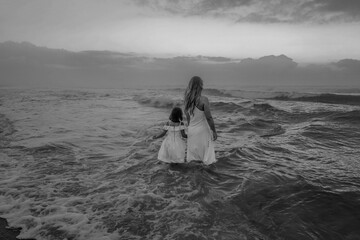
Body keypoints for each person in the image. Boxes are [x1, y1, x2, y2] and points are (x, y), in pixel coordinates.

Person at [184, 76, 217, 165]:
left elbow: (188, 118)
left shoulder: (187, 101)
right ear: (200, 86)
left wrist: (190, 129)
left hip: (191, 130)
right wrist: (214, 131)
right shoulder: (204, 99)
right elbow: (209, 117)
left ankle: (193, 177)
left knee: (193, 159)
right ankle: (204, 177)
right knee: (205, 159)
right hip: (202, 131)